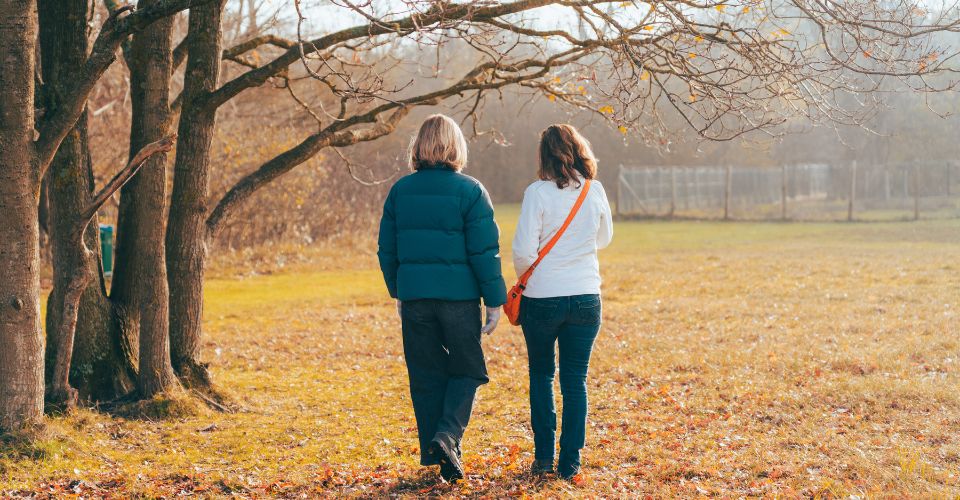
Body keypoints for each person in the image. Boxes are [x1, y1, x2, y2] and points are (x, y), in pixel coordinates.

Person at [377, 114, 506, 482]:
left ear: (418, 147)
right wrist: (494, 301)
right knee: (469, 370)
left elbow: (387, 250)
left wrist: (399, 291)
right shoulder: (471, 191)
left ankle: (439, 450)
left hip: (416, 299)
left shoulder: (401, 191)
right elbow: (484, 252)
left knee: (427, 376)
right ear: (456, 147)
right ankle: (447, 437)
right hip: (459, 300)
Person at [512, 124, 613, 480]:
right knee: (575, 380)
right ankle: (570, 462)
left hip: (542, 298)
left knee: (541, 375)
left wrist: (532, 273)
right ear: (579, 150)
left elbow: (523, 252)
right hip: (586, 295)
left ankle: (543, 457)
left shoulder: (537, 193)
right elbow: (604, 238)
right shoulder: (594, 189)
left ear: (544, 154)